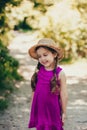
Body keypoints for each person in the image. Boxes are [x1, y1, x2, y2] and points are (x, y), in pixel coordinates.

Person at [28, 38, 68, 130]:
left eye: (45, 55)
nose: (42, 59)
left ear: (54, 54)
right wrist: (32, 107)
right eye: (39, 56)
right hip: (40, 110)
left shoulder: (60, 73)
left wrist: (64, 112)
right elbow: (34, 91)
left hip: (53, 110)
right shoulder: (39, 72)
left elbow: (64, 94)